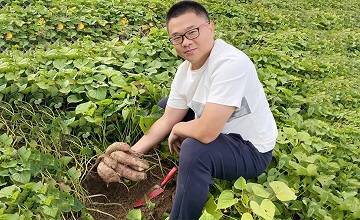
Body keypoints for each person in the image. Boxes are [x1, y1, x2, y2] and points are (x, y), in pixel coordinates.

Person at [108, 1, 278, 219]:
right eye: (177, 37)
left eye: (192, 32)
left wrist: (180, 128)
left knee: (194, 149)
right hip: (220, 132)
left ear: (210, 28)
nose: (186, 42)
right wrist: (130, 154)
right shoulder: (184, 71)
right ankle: (191, 166)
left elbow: (206, 133)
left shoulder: (231, 63)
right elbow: (167, 119)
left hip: (251, 150)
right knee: (166, 106)